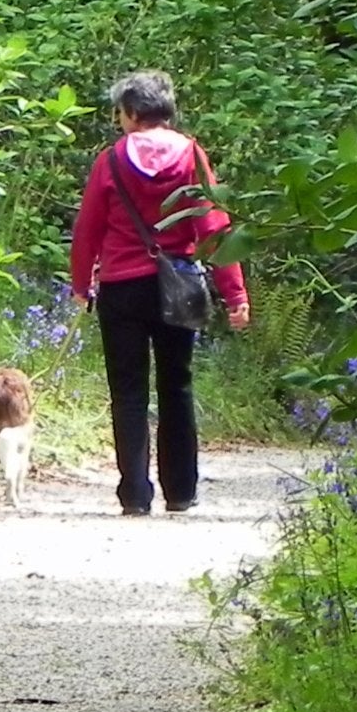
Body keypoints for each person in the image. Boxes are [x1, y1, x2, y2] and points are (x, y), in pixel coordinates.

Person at [68, 70, 249, 516]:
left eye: (120, 112)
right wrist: (235, 293)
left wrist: (80, 284)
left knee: (128, 392)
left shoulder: (110, 161)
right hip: (179, 284)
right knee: (177, 386)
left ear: (131, 112)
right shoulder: (191, 155)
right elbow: (213, 227)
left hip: (122, 288)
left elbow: (88, 228)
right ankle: (181, 491)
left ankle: (134, 494)